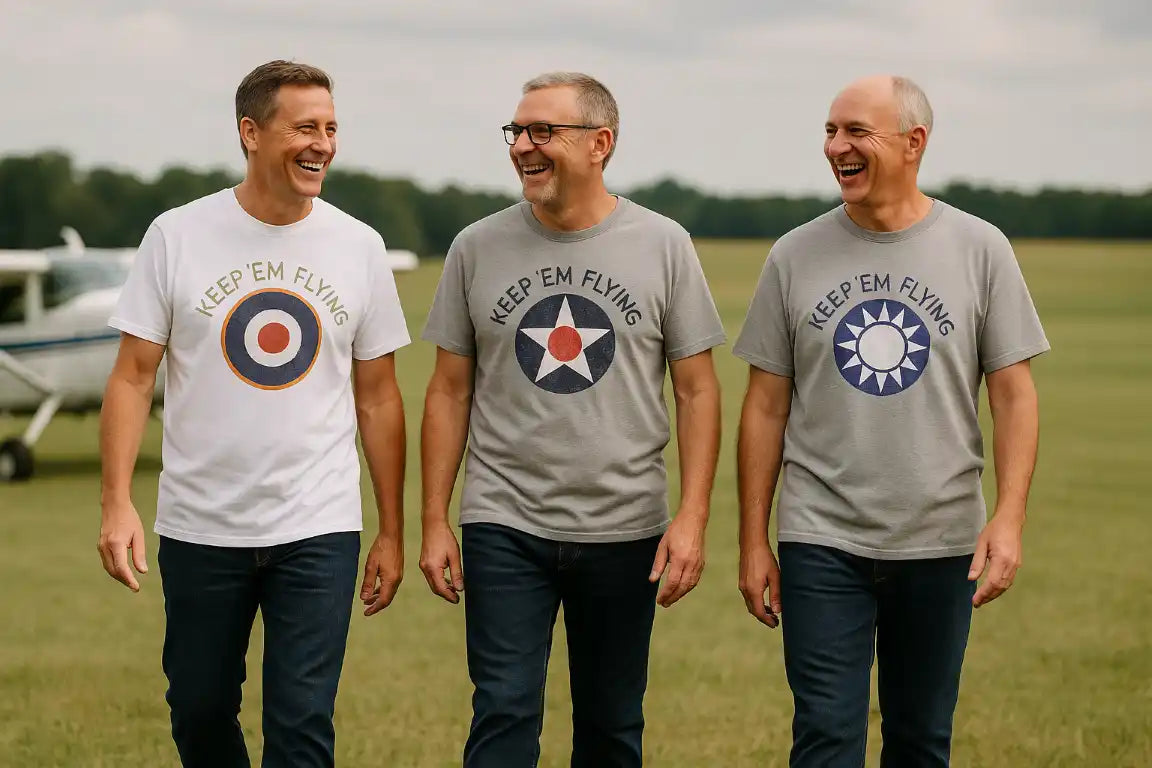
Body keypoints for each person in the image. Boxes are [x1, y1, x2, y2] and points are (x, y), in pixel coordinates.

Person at [96, 59, 410, 767]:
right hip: (201, 524)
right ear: (250, 133)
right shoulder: (176, 235)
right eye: (305, 127)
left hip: (319, 527)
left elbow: (379, 395)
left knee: (301, 725)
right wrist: (117, 502)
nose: (322, 144)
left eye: (331, 128)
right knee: (199, 709)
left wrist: (392, 529)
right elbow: (131, 378)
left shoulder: (358, 246)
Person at [734, 74, 1049, 767]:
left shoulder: (980, 248)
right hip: (822, 539)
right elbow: (764, 404)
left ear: (914, 143)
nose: (835, 147)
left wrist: (1009, 517)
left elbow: (1013, 394)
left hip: (941, 540)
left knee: (919, 739)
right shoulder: (793, 254)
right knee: (824, 736)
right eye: (829, 131)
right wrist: (754, 539)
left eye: (855, 132)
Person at [418, 71, 725, 767]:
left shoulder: (664, 244)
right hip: (504, 521)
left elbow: (698, 389)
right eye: (516, 131)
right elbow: (447, 390)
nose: (522, 146)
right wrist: (436, 520)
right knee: (501, 708)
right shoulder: (475, 247)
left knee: (612, 725)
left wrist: (693, 517)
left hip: (626, 524)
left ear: (600, 144)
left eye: (543, 131)